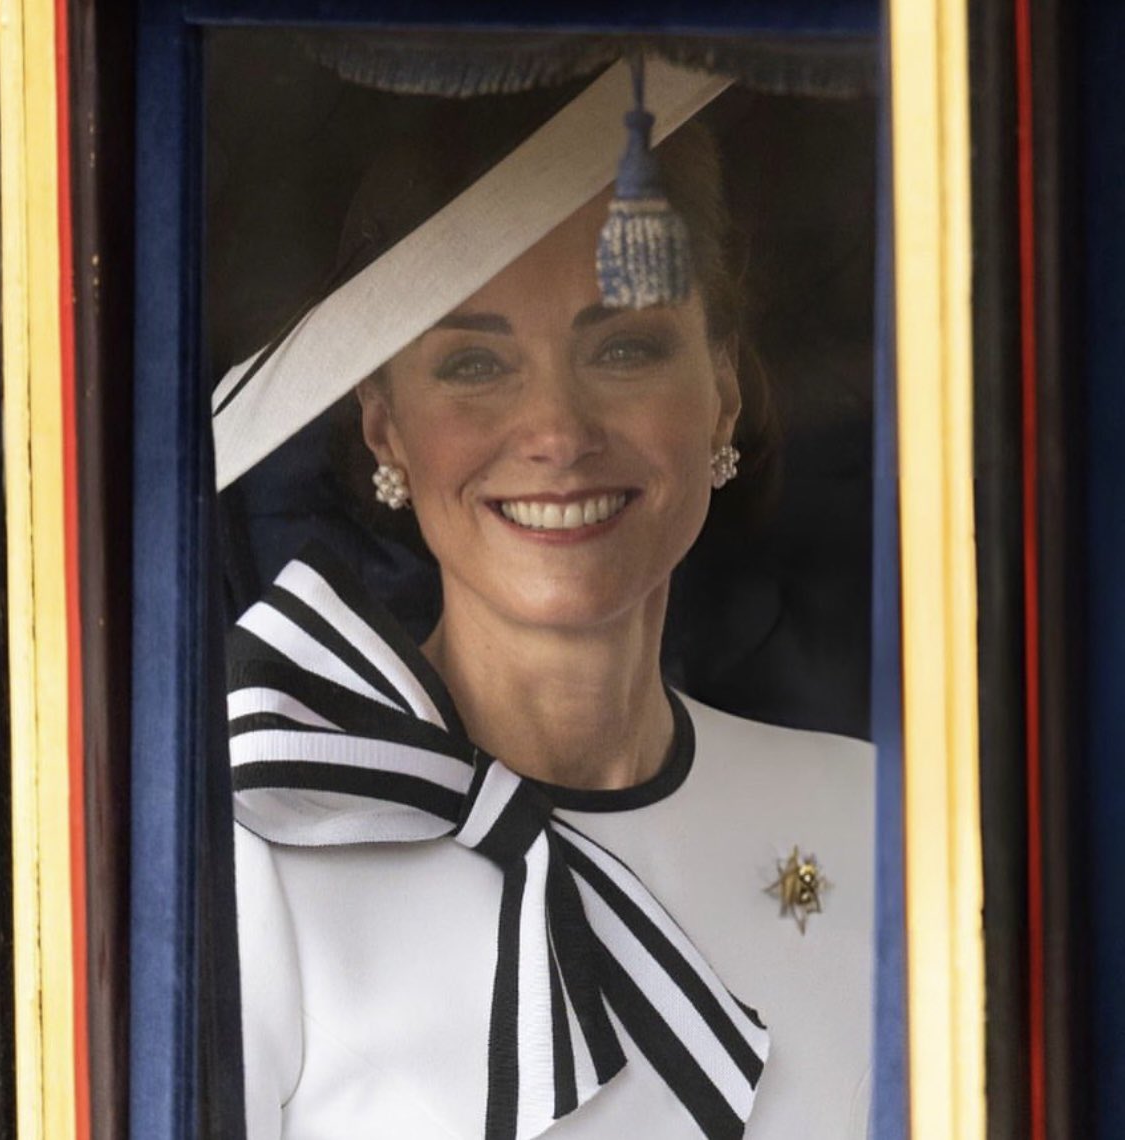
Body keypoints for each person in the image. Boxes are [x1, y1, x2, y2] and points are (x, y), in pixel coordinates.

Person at [224, 61, 874, 1140]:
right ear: (384, 424)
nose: (558, 434)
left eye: (623, 347)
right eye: (475, 365)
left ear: (724, 390)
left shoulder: (869, 819)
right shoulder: (262, 843)